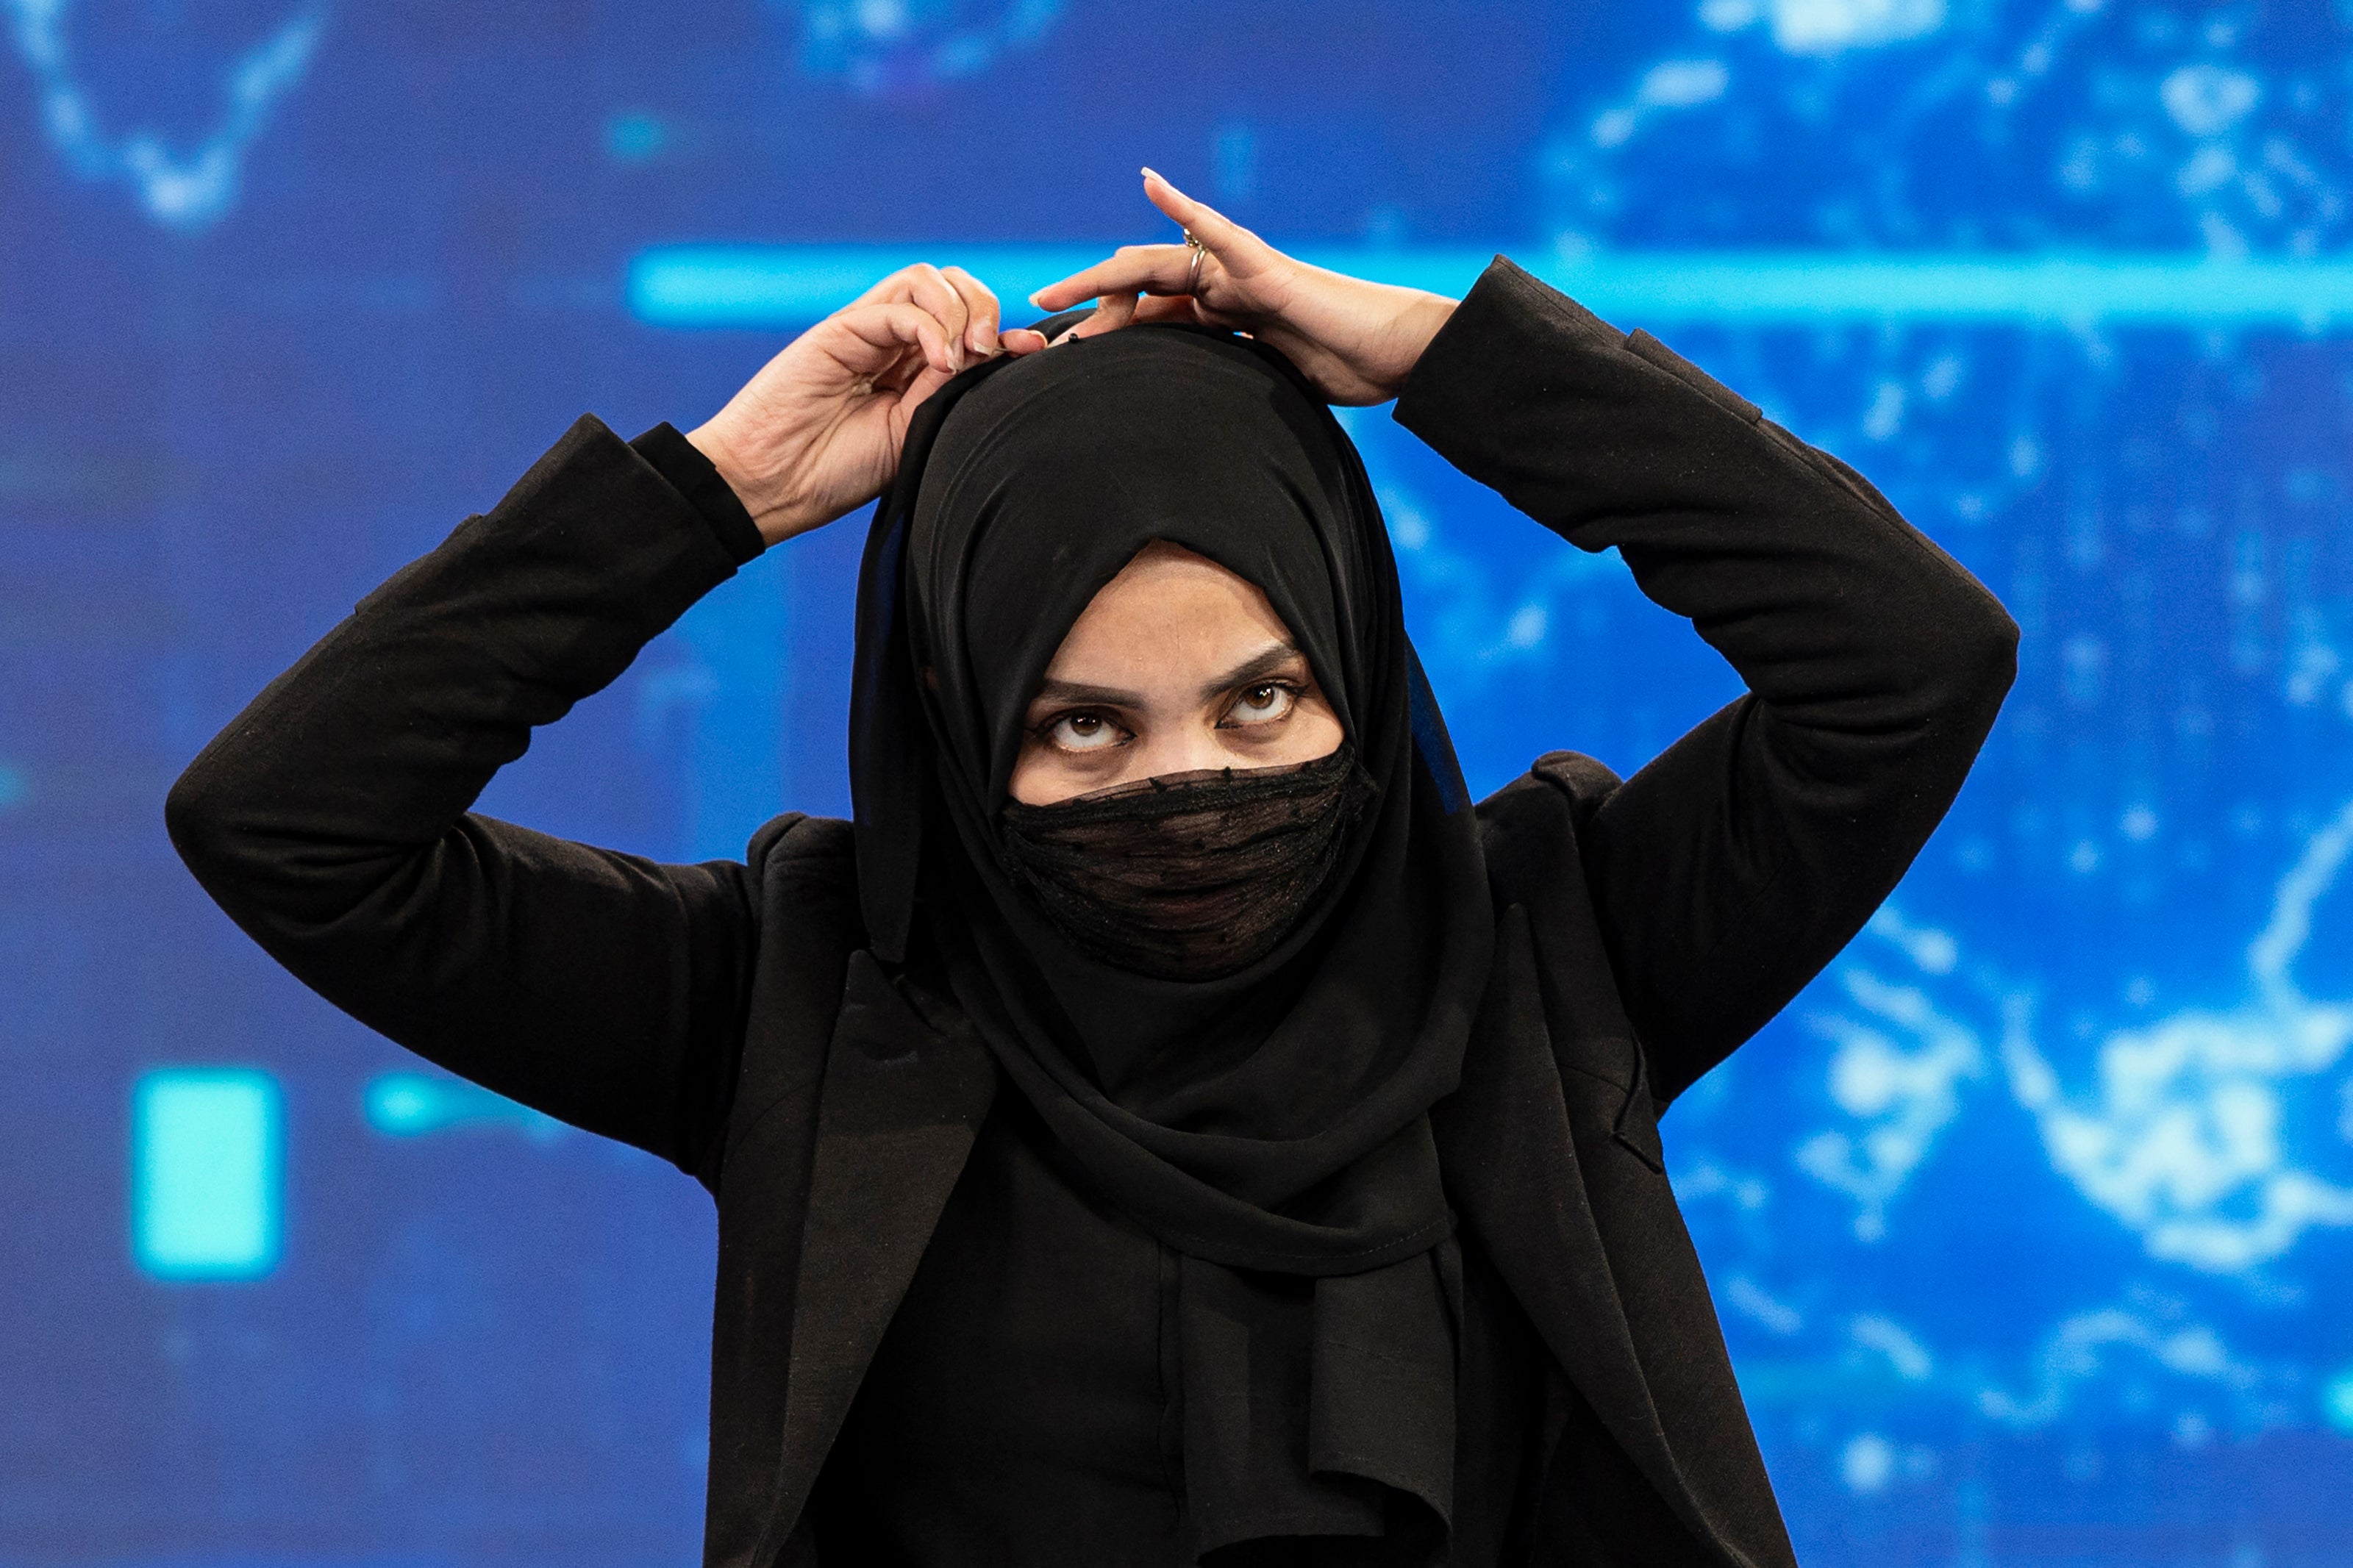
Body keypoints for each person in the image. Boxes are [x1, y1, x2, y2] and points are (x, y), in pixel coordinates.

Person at [167, 171, 2017, 1567]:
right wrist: (715, 492)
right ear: (964, 733)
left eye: (1262, 699)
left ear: (1354, 676)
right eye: (1081, 729)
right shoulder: (797, 995)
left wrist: (1453, 359)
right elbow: (292, 822)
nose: (1187, 785)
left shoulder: (1554, 939)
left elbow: (1907, 655)